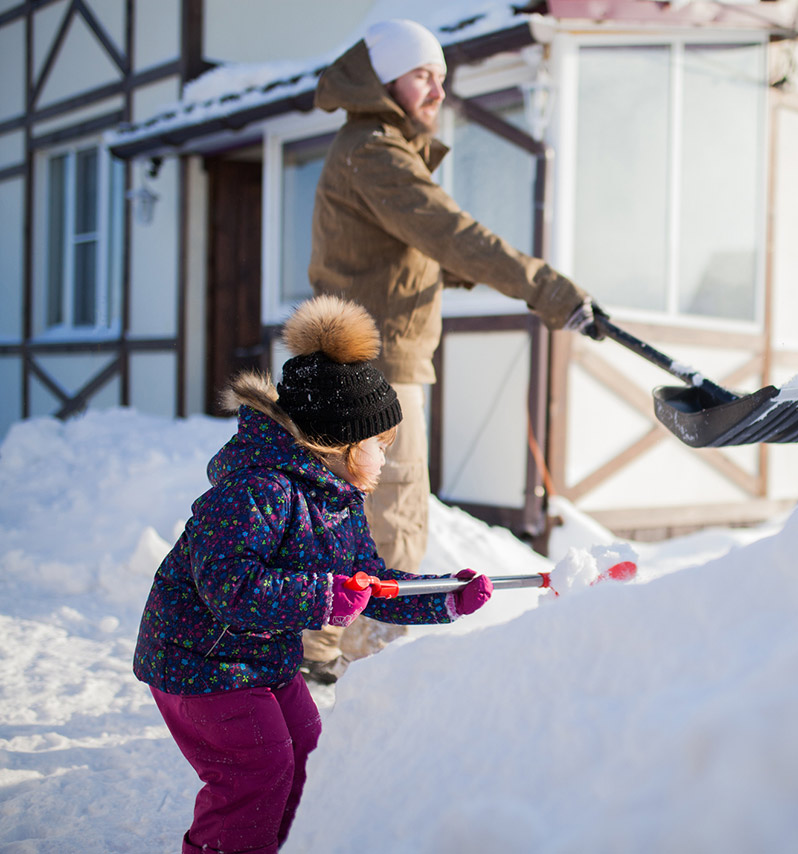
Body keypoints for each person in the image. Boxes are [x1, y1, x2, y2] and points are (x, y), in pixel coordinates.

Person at [133, 295, 494, 854]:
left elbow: (369, 585)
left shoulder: (338, 500)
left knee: (306, 752)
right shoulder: (257, 489)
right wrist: (324, 597)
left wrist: (445, 597)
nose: (385, 458)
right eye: (378, 445)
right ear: (336, 445)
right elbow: (228, 588)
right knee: (259, 769)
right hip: (199, 662)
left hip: (264, 659)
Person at [302, 17, 604, 680]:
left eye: (441, 76)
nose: (436, 89)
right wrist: (548, 289)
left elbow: (414, 247)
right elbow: (447, 231)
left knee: (337, 511)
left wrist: (464, 266)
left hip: (347, 360)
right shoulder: (377, 151)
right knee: (393, 509)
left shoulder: (366, 147)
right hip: (378, 366)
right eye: (421, 75)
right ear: (384, 79)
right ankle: (377, 663)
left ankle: (319, 651)